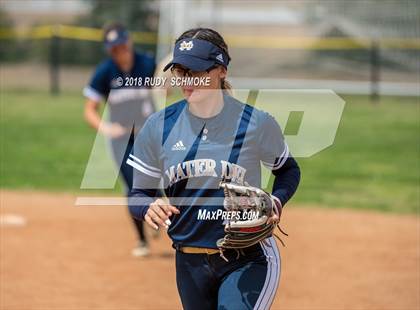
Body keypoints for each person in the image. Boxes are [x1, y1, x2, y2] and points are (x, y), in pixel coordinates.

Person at [127, 28, 300, 309]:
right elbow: (137, 195)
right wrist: (147, 207)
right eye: (180, 71)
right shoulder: (159, 127)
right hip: (189, 262)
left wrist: (276, 201)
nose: (186, 80)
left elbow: (288, 170)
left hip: (247, 259)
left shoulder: (255, 123)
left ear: (220, 71)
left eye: (195, 71)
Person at [83, 22, 156, 257]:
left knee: (157, 183)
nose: (119, 51)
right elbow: (89, 110)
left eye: (122, 45)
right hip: (121, 139)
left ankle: (158, 213)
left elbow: (164, 89)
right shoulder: (105, 71)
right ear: (108, 49)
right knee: (134, 186)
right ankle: (142, 240)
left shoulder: (148, 63)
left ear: (130, 41)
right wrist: (106, 128)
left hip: (148, 135)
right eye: (114, 48)